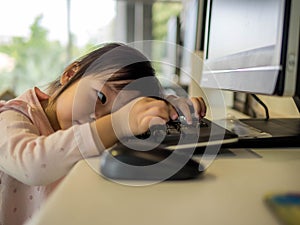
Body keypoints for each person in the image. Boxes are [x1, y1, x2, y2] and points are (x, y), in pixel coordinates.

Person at [0, 42, 206, 225]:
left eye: (116, 112)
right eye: (101, 97)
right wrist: (120, 121)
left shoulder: (84, 125)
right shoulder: (12, 114)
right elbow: (33, 164)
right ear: (70, 74)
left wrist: (165, 109)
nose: (99, 119)